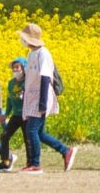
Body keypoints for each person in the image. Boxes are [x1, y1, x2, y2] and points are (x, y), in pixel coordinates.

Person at [18, 23, 77, 174]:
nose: (22, 41)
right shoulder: (31, 54)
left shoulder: (44, 53)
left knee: (31, 130)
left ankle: (36, 165)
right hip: (32, 97)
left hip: (41, 97)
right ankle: (66, 151)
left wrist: (43, 103)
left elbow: (45, 78)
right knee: (39, 132)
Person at [0, 57, 27, 172]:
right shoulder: (11, 83)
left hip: (26, 115)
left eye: (17, 67)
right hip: (16, 115)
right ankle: (6, 162)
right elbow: (10, 100)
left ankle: (30, 164)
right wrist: (6, 114)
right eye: (13, 68)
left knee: (28, 139)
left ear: (24, 68)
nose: (15, 70)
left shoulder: (28, 82)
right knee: (4, 136)